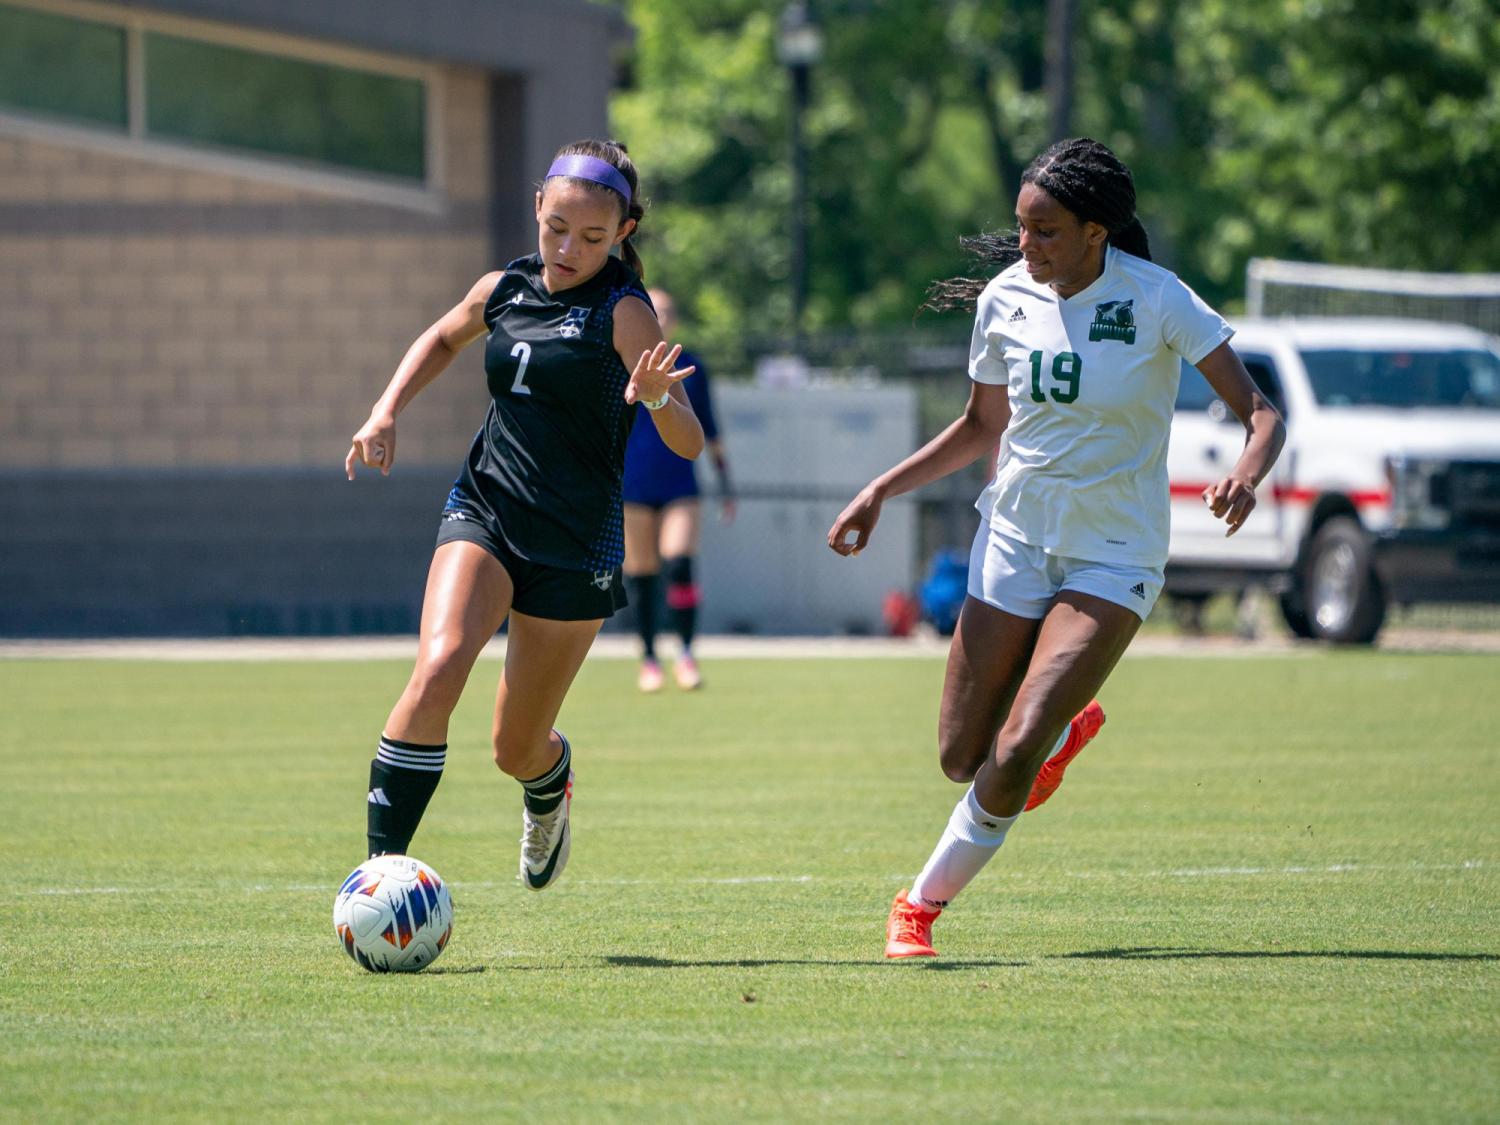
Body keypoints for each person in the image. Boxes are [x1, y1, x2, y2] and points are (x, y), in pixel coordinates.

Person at [827, 137, 1285, 958]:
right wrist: (879, 491)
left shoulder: (1157, 298)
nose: (1026, 247)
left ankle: (917, 906)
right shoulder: (1004, 298)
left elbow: (1260, 411)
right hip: (1014, 536)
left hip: (1115, 551)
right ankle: (1064, 735)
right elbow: (979, 428)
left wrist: (1246, 476)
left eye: (1044, 232)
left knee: (1017, 739)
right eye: (1021, 229)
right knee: (960, 754)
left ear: (1095, 232)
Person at [345, 139, 704, 890]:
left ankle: (550, 786)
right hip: (487, 509)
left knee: (516, 747)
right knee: (440, 663)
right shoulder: (503, 289)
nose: (568, 248)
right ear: (538, 208)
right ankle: (378, 877)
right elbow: (443, 336)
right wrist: (384, 411)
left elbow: (688, 440)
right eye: (556, 228)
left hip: (576, 542)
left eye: (593, 237)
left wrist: (661, 395)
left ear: (624, 235)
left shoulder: (623, 312)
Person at [621, 287, 734, 692]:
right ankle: (649, 659)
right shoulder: (621, 363)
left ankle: (686, 653)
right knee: (642, 574)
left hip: (679, 482)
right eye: (654, 312)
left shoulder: (692, 368)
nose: (660, 319)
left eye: (667, 312)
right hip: (632, 483)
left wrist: (726, 485)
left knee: (680, 562)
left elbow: (711, 432)